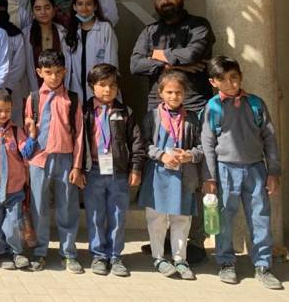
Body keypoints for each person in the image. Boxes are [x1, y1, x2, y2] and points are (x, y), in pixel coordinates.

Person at [201, 56, 283, 289]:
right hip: (225, 170)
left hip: (256, 169)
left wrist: (273, 170)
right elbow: (207, 143)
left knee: (260, 217)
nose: (230, 83)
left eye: (234, 77)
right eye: (223, 79)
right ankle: (226, 262)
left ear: (241, 77)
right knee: (224, 218)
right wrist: (209, 177)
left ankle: (263, 265)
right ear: (213, 82)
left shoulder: (255, 104)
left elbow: (269, 138)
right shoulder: (213, 107)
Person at [21, 50, 85, 274]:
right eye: (48, 72)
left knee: (67, 206)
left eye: (58, 72)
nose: (54, 77)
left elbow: (78, 134)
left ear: (65, 72)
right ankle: (39, 251)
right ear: (39, 72)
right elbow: (28, 128)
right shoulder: (34, 98)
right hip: (39, 160)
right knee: (39, 206)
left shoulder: (73, 99)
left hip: (65, 159)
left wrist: (77, 165)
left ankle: (68, 253)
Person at [136, 70, 202, 281]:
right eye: (170, 92)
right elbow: (143, 144)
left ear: (185, 94)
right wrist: (161, 154)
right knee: (156, 218)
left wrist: (189, 155)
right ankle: (158, 257)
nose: (174, 96)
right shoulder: (152, 117)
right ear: (161, 93)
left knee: (181, 219)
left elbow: (202, 148)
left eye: (179, 92)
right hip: (158, 175)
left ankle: (180, 259)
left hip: (183, 177)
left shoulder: (191, 119)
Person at [80, 64, 143, 277]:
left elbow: (136, 142)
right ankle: (99, 255)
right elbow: (78, 142)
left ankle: (116, 256)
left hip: (118, 173)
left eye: (112, 86)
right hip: (94, 170)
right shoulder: (84, 111)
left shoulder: (126, 112)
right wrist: (78, 168)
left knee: (117, 215)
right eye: (102, 85)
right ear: (91, 86)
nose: (108, 90)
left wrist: (135, 168)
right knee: (95, 215)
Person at [130, 0, 215, 113]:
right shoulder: (149, 31)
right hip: (158, 104)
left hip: (193, 102)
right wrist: (170, 65)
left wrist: (155, 54)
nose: (165, 1)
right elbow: (135, 65)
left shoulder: (199, 25)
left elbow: (191, 55)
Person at [0, 88, 30, 270]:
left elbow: (26, 151)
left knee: (14, 222)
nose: (3, 114)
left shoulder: (16, 131)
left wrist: (32, 135)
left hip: (14, 186)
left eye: (7, 110)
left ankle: (16, 252)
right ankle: (1, 253)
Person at [65, 0, 118, 103]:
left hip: (101, 85)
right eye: (80, 4)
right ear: (74, 7)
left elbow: (111, 61)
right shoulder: (71, 31)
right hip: (76, 85)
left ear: (95, 7)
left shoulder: (105, 28)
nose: (84, 8)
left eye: (89, 4)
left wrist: (106, 85)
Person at [0, 0, 28, 126]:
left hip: (12, 90)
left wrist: (7, 88)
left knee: (13, 130)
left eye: (0, 9)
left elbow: (18, 65)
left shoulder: (15, 34)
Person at [24, 0, 72, 91]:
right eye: (38, 9)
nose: (43, 12)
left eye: (47, 8)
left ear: (54, 10)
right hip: (34, 88)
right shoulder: (25, 35)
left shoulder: (63, 32)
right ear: (32, 13)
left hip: (60, 87)